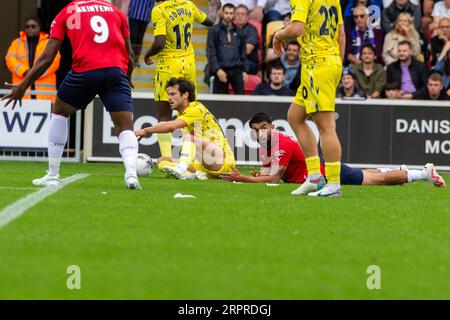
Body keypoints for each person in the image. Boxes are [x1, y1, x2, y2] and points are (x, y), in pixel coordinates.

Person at [2, 0, 141, 190]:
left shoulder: (68, 10)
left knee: (59, 111)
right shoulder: (116, 12)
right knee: (125, 126)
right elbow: (130, 54)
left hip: (85, 70)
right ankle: (131, 174)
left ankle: (52, 175)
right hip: (115, 72)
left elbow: (47, 56)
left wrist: (23, 85)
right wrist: (128, 76)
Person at [219, 113, 446, 190]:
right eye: (256, 130)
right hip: (320, 175)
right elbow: (269, 174)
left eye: (263, 128)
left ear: (272, 128)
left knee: (377, 181)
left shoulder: (282, 143)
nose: (260, 133)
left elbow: (275, 180)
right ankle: (400, 170)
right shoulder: (265, 146)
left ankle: (423, 173)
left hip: (327, 176)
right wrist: (256, 176)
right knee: (370, 173)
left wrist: (242, 178)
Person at [273, 0, 346, 197]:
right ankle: (314, 176)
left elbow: (297, 29)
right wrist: (336, 66)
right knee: (295, 117)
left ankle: (333, 184)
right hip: (327, 62)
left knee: (326, 127)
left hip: (317, 65)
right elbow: (341, 35)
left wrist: (278, 34)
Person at [143, 0, 221, 160]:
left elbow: (159, 42)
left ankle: (166, 157)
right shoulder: (188, 5)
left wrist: (147, 54)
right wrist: (214, 8)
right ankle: (190, 159)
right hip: (189, 65)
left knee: (164, 114)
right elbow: (211, 21)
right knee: (189, 113)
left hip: (168, 66)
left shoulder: (159, 10)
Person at [135, 78, 236, 180]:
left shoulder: (195, 109)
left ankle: (182, 169)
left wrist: (145, 130)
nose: (169, 98)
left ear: (185, 95)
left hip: (221, 160)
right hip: (203, 163)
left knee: (190, 138)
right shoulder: (182, 113)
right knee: (162, 160)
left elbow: (171, 126)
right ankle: (192, 175)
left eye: (173, 94)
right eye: (168, 94)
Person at [5, 17, 61, 102]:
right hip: (23, 93)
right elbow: (9, 59)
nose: (30, 28)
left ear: (39, 27)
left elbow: (55, 62)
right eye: (27, 27)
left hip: (44, 95)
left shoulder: (48, 42)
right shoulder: (16, 43)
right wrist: (24, 71)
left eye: (33, 26)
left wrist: (36, 73)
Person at [207, 3, 248, 94]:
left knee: (241, 100)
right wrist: (217, 69)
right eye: (226, 13)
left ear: (234, 14)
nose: (228, 15)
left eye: (231, 13)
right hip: (221, 69)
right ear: (222, 13)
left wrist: (244, 70)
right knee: (220, 101)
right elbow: (211, 51)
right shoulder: (214, 31)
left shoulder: (240, 31)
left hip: (236, 69)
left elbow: (243, 52)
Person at [234, 4, 259, 75]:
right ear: (234, 16)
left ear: (247, 16)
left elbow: (247, 50)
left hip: (249, 61)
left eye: (242, 14)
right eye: (237, 14)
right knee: (211, 67)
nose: (240, 16)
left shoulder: (252, 30)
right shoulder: (229, 29)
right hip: (231, 60)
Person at [128, 0, 154, 67]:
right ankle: (130, 58)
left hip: (145, 16)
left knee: (140, 38)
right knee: (132, 37)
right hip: (134, 13)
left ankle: (136, 59)